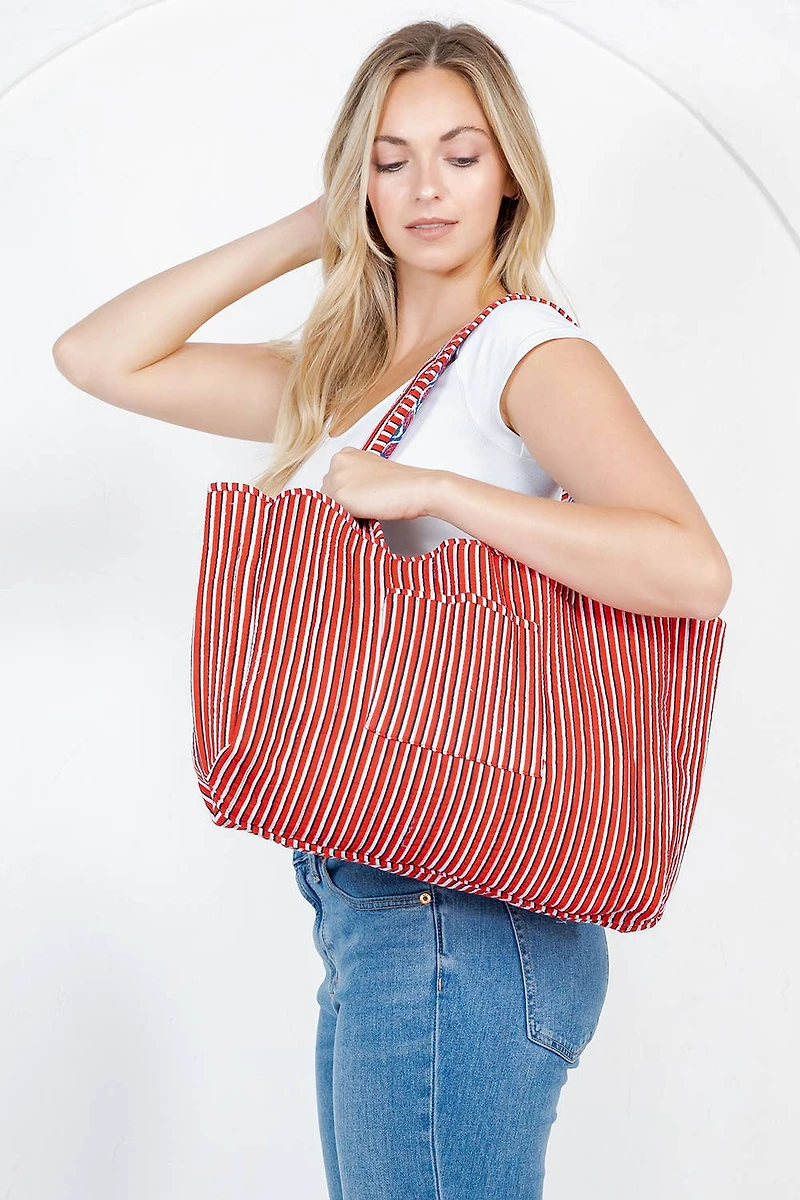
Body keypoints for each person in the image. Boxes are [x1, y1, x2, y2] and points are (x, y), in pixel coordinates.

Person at [51, 19, 731, 1199]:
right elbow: (99, 356)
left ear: (510, 170)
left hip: (460, 913)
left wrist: (432, 488)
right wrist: (308, 226)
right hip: (376, 896)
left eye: (461, 154)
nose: (425, 187)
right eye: (389, 155)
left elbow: (689, 568)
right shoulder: (343, 378)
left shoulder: (521, 350)